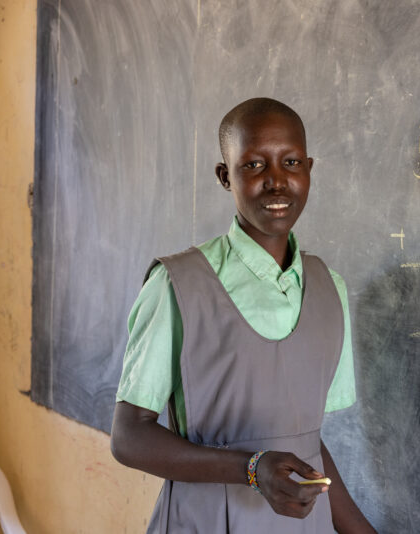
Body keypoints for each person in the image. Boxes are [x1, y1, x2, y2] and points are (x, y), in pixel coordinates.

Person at [110, 98, 376, 533]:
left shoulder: (330, 289)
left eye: (290, 162)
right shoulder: (177, 285)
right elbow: (129, 438)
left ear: (308, 168)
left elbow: (305, 442)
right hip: (208, 520)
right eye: (253, 165)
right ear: (225, 176)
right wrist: (251, 469)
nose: (276, 181)